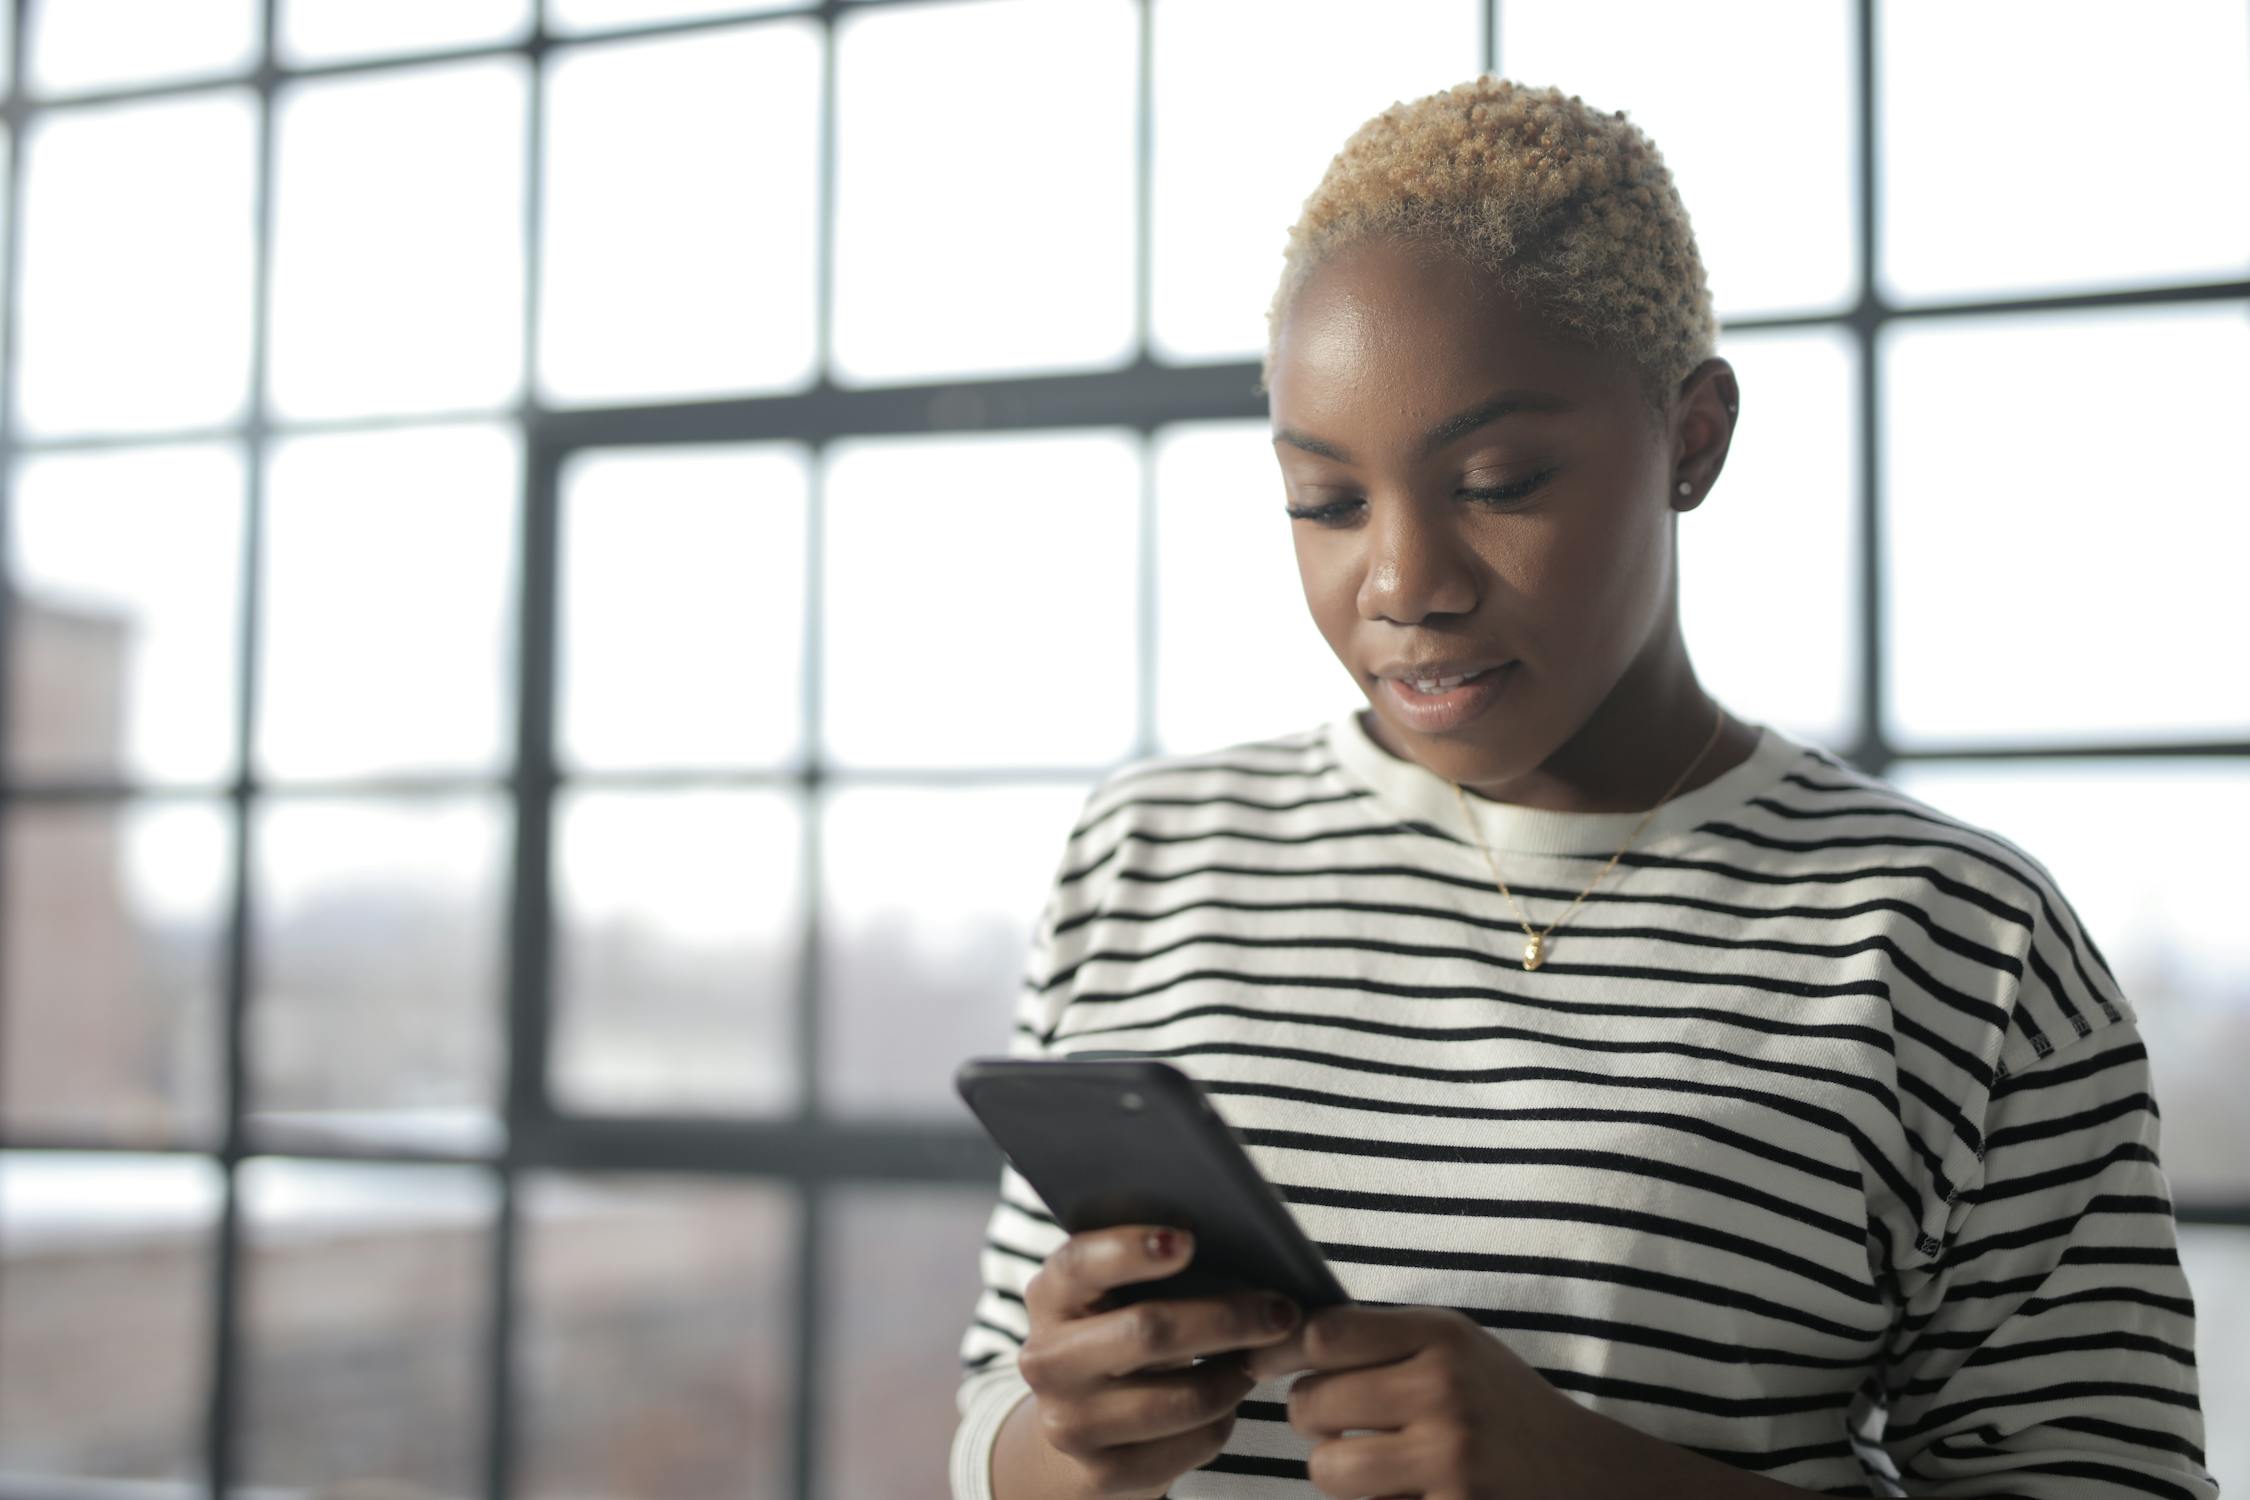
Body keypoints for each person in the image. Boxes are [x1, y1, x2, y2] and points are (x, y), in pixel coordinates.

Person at [948, 76, 2218, 1500]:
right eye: (1324, 501)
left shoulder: (1951, 942)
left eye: (1496, 481)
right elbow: (998, 1399)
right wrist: (1062, 1439)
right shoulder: (1150, 851)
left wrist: (1601, 1481)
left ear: (1691, 439)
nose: (1400, 586)